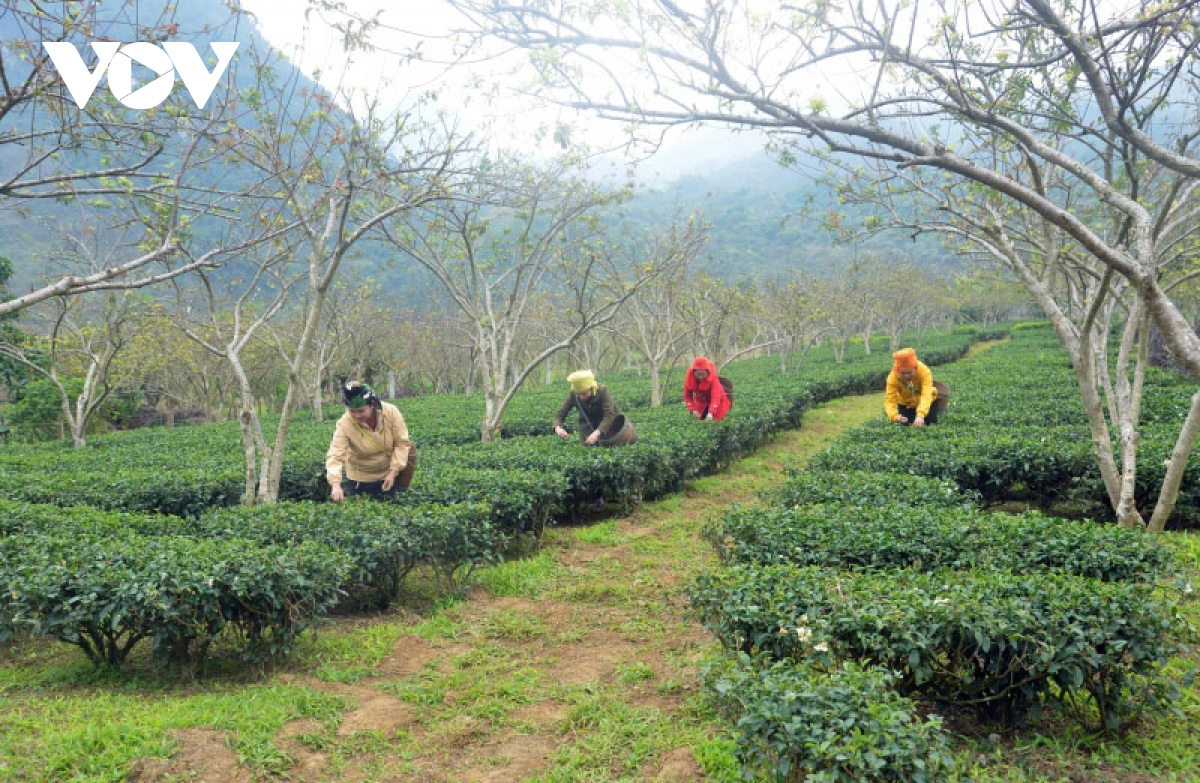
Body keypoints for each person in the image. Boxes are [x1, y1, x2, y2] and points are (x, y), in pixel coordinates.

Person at [552, 369, 631, 511]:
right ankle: (598, 498)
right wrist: (558, 427)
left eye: (584, 393)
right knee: (593, 461)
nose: (581, 397)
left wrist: (598, 432)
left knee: (615, 459)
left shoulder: (603, 391)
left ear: (591, 388)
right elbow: (560, 413)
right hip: (587, 428)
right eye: (579, 394)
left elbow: (609, 414)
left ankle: (624, 493)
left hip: (610, 426)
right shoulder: (573, 395)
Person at [326, 381, 414, 501]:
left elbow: (402, 443)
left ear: (372, 405)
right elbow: (335, 454)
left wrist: (393, 472)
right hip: (359, 480)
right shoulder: (344, 424)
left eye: (361, 411)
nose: (357, 416)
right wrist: (335, 485)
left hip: (388, 475)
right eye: (352, 411)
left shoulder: (390, 413)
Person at [884, 348, 941, 427]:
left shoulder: (924, 371)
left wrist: (920, 415)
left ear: (915, 367)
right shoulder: (892, 378)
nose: (907, 376)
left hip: (927, 402)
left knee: (930, 424)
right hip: (906, 404)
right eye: (903, 373)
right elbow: (890, 400)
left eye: (909, 372)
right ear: (897, 370)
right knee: (906, 425)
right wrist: (895, 416)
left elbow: (926, 394)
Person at [684, 356, 731, 421]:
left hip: (719, 402)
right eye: (698, 374)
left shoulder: (713, 379)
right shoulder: (689, 379)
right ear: (694, 372)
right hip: (701, 402)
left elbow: (716, 397)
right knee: (699, 420)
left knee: (716, 422)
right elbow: (687, 396)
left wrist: (711, 412)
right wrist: (692, 409)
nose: (700, 377)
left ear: (707, 372)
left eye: (703, 374)